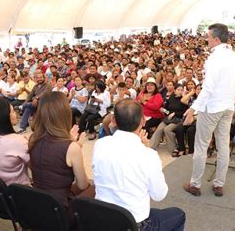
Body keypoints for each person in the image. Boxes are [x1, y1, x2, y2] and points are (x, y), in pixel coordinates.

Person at [92, 99, 186, 230]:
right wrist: (148, 149)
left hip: (101, 218)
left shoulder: (100, 144)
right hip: (133, 224)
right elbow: (159, 195)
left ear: (113, 118)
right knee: (179, 215)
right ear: (143, 121)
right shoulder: (148, 155)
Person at [183, 23, 235, 197]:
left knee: (201, 145)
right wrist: (229, 103)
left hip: (213, 107)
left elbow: (208, 87)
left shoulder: (214, 58)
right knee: (223, 146)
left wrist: (193, 108)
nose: (206, 40)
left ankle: (195, 184)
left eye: (208, 37)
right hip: (228, 107)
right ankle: (219, 184)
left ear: (216, 39)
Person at [28, 92, 91, 208]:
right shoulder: (71, 148)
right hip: (60, 210)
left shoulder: (32, 139)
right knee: (94, 188)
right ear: (65, 113)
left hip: (37, 201)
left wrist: (70, 142)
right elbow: (83, 185)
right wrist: (76, 147)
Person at [149, 84, 188, 155]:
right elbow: (167, 109)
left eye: (182, 90)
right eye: (178, 90)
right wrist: (163, 110)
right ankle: (151, 147)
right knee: (159, 129)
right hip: (169, 118)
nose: (180, 92)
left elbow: (184, 113)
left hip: (178, 120)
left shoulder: (184, 99)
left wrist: (175, 113)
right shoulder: (172, 97)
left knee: (167, 129)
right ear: (175, 91)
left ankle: (173, 148)